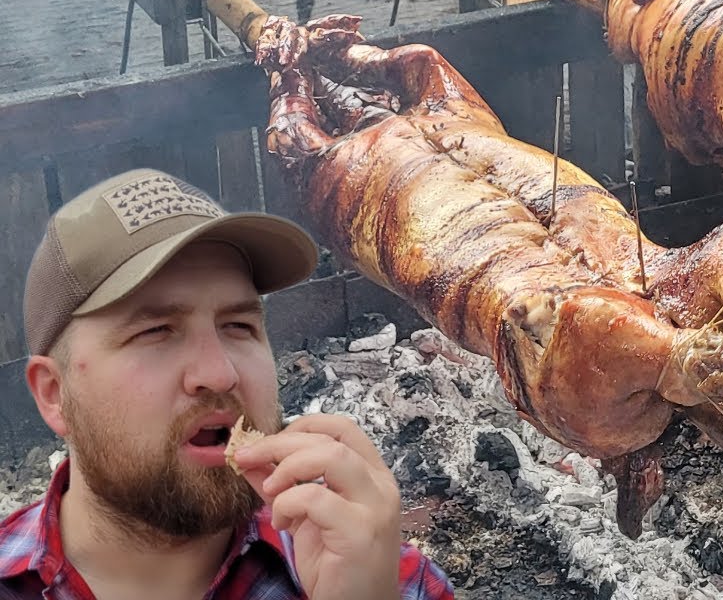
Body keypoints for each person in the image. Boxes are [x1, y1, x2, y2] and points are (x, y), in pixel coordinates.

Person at [0, 168, 455, 600]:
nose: (220, 374)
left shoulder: (376, 576)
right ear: (54, 395)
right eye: (155, 331)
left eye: (238, 326)